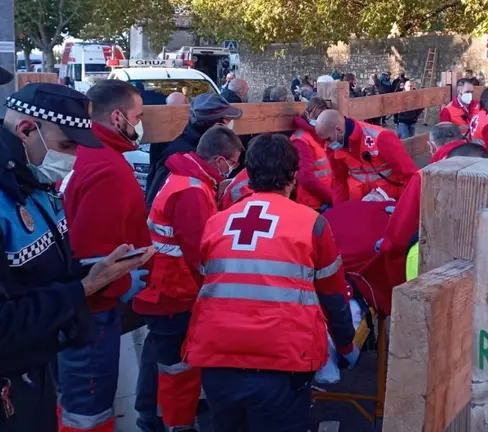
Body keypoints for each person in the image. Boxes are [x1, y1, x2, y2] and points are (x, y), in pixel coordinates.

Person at [0, 81, 154, 432]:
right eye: (66, 145)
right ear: (27, 130)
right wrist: (86, 287)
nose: (71, 158)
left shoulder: (30, 181)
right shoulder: (14, 187)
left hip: (39, 357)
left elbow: (47, 263)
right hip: (19, 370)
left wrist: (89, 274)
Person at [182, 133, 357, 431]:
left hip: (217, 359)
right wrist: (345, 344)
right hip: (281, 362)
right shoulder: (312, 224)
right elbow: (333, 295)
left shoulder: (217, 222)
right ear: (293, 175)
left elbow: (205, 279)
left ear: (248, 172)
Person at [57, 80, 153, 432]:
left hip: (77, 310)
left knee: (72, 403)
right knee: (88, 411)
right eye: (138, 116)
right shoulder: (109, 168)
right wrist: (130, 281)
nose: (141, 124)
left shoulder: (85, 154)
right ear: (117, 117)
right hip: (93, 315)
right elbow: (94, 256)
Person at [139, 126, 244, 431]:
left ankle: (156, 418)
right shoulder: (192, 192)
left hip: (164, 288)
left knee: (165, 363)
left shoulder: (185, 177)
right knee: (178, 369)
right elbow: (200, 253)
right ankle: (177, 425)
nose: (233, 168)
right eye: (233, 162)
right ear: (219, 159)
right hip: (174, 292)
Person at [380, 123, 488, 287]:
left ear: (431, 146)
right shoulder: (487, 160)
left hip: (443, 262)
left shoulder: (426, 176)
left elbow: (400, 231)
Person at [145, 93, 242, 208]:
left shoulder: (207, 145)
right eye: (228, 120)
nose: (230, 125)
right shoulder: (176, 155)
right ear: (217, 125)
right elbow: (154, 201)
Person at [315, 109, 418, 202]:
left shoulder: (381, 138)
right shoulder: (333, 148)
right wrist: (340, 211)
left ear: (339, 130)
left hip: (389, 203)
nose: (327, 144)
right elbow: (339, 180)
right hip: (359, 205)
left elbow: (409, 175)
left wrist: (404, 207)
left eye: (328, 139)